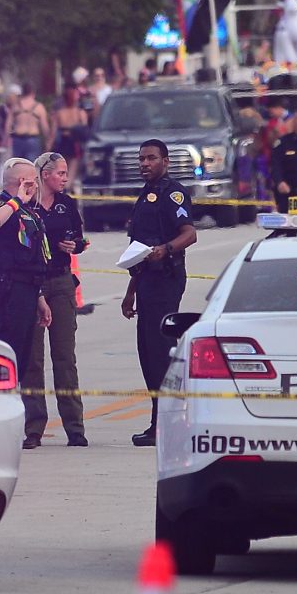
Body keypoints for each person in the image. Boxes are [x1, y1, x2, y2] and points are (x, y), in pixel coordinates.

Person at [119, 139, 200, 446]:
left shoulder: (172, 193)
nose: (145, 163)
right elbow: (139, 250)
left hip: (166, 281)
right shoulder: (143, 197)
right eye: (141, 159)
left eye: (151, 158)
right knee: (148, 354)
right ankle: (159, 422)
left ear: (165, 161)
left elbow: (189, 234)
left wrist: (165, 250)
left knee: (160, 352)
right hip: (146, 283)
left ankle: (168, 424)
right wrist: (130, 293)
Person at [0, 156, 58, 449]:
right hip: (9, 291)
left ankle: (17, 424)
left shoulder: (29, 212)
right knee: (8, 361)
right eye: (30, 180)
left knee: (22, 363)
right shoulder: (1, 207)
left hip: (28, 291)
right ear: (17, 183)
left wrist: (39, 298)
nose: (35, 185)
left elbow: (33, 255)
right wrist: (14, 201)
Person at [33, 152, 91, 445]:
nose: (65, 179)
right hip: (32, 283)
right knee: (32, 359)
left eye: (66, 174)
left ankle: (75, 428)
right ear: (45, 174)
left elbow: (81, 239)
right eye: (61, 174)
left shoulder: (66, 204)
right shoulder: (27, 205)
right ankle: (33, 429)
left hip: (61, 281)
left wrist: (75, 245)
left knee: (65, 357)